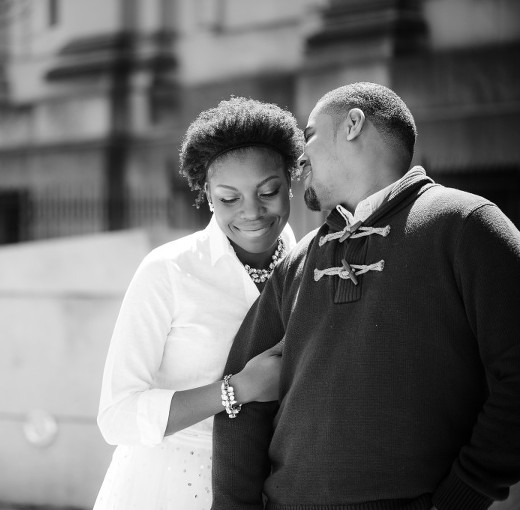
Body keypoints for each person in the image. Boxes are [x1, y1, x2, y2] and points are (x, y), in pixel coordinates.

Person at [212, 82, 520, 510]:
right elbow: (241, 408)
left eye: (312, 133)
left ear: (353, 124)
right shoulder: (298, 261)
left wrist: (458, 499)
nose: (301, 156)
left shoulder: (467, 225)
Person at [93, 97, 304, 509]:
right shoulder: (168, 271)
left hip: (281, 488)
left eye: (268, 191)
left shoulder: (314, 265)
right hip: (172, 487)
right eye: (229, 198)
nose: (252, 212)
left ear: (290, 183)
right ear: (207, 195)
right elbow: (116, 415)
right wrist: (236, 390)